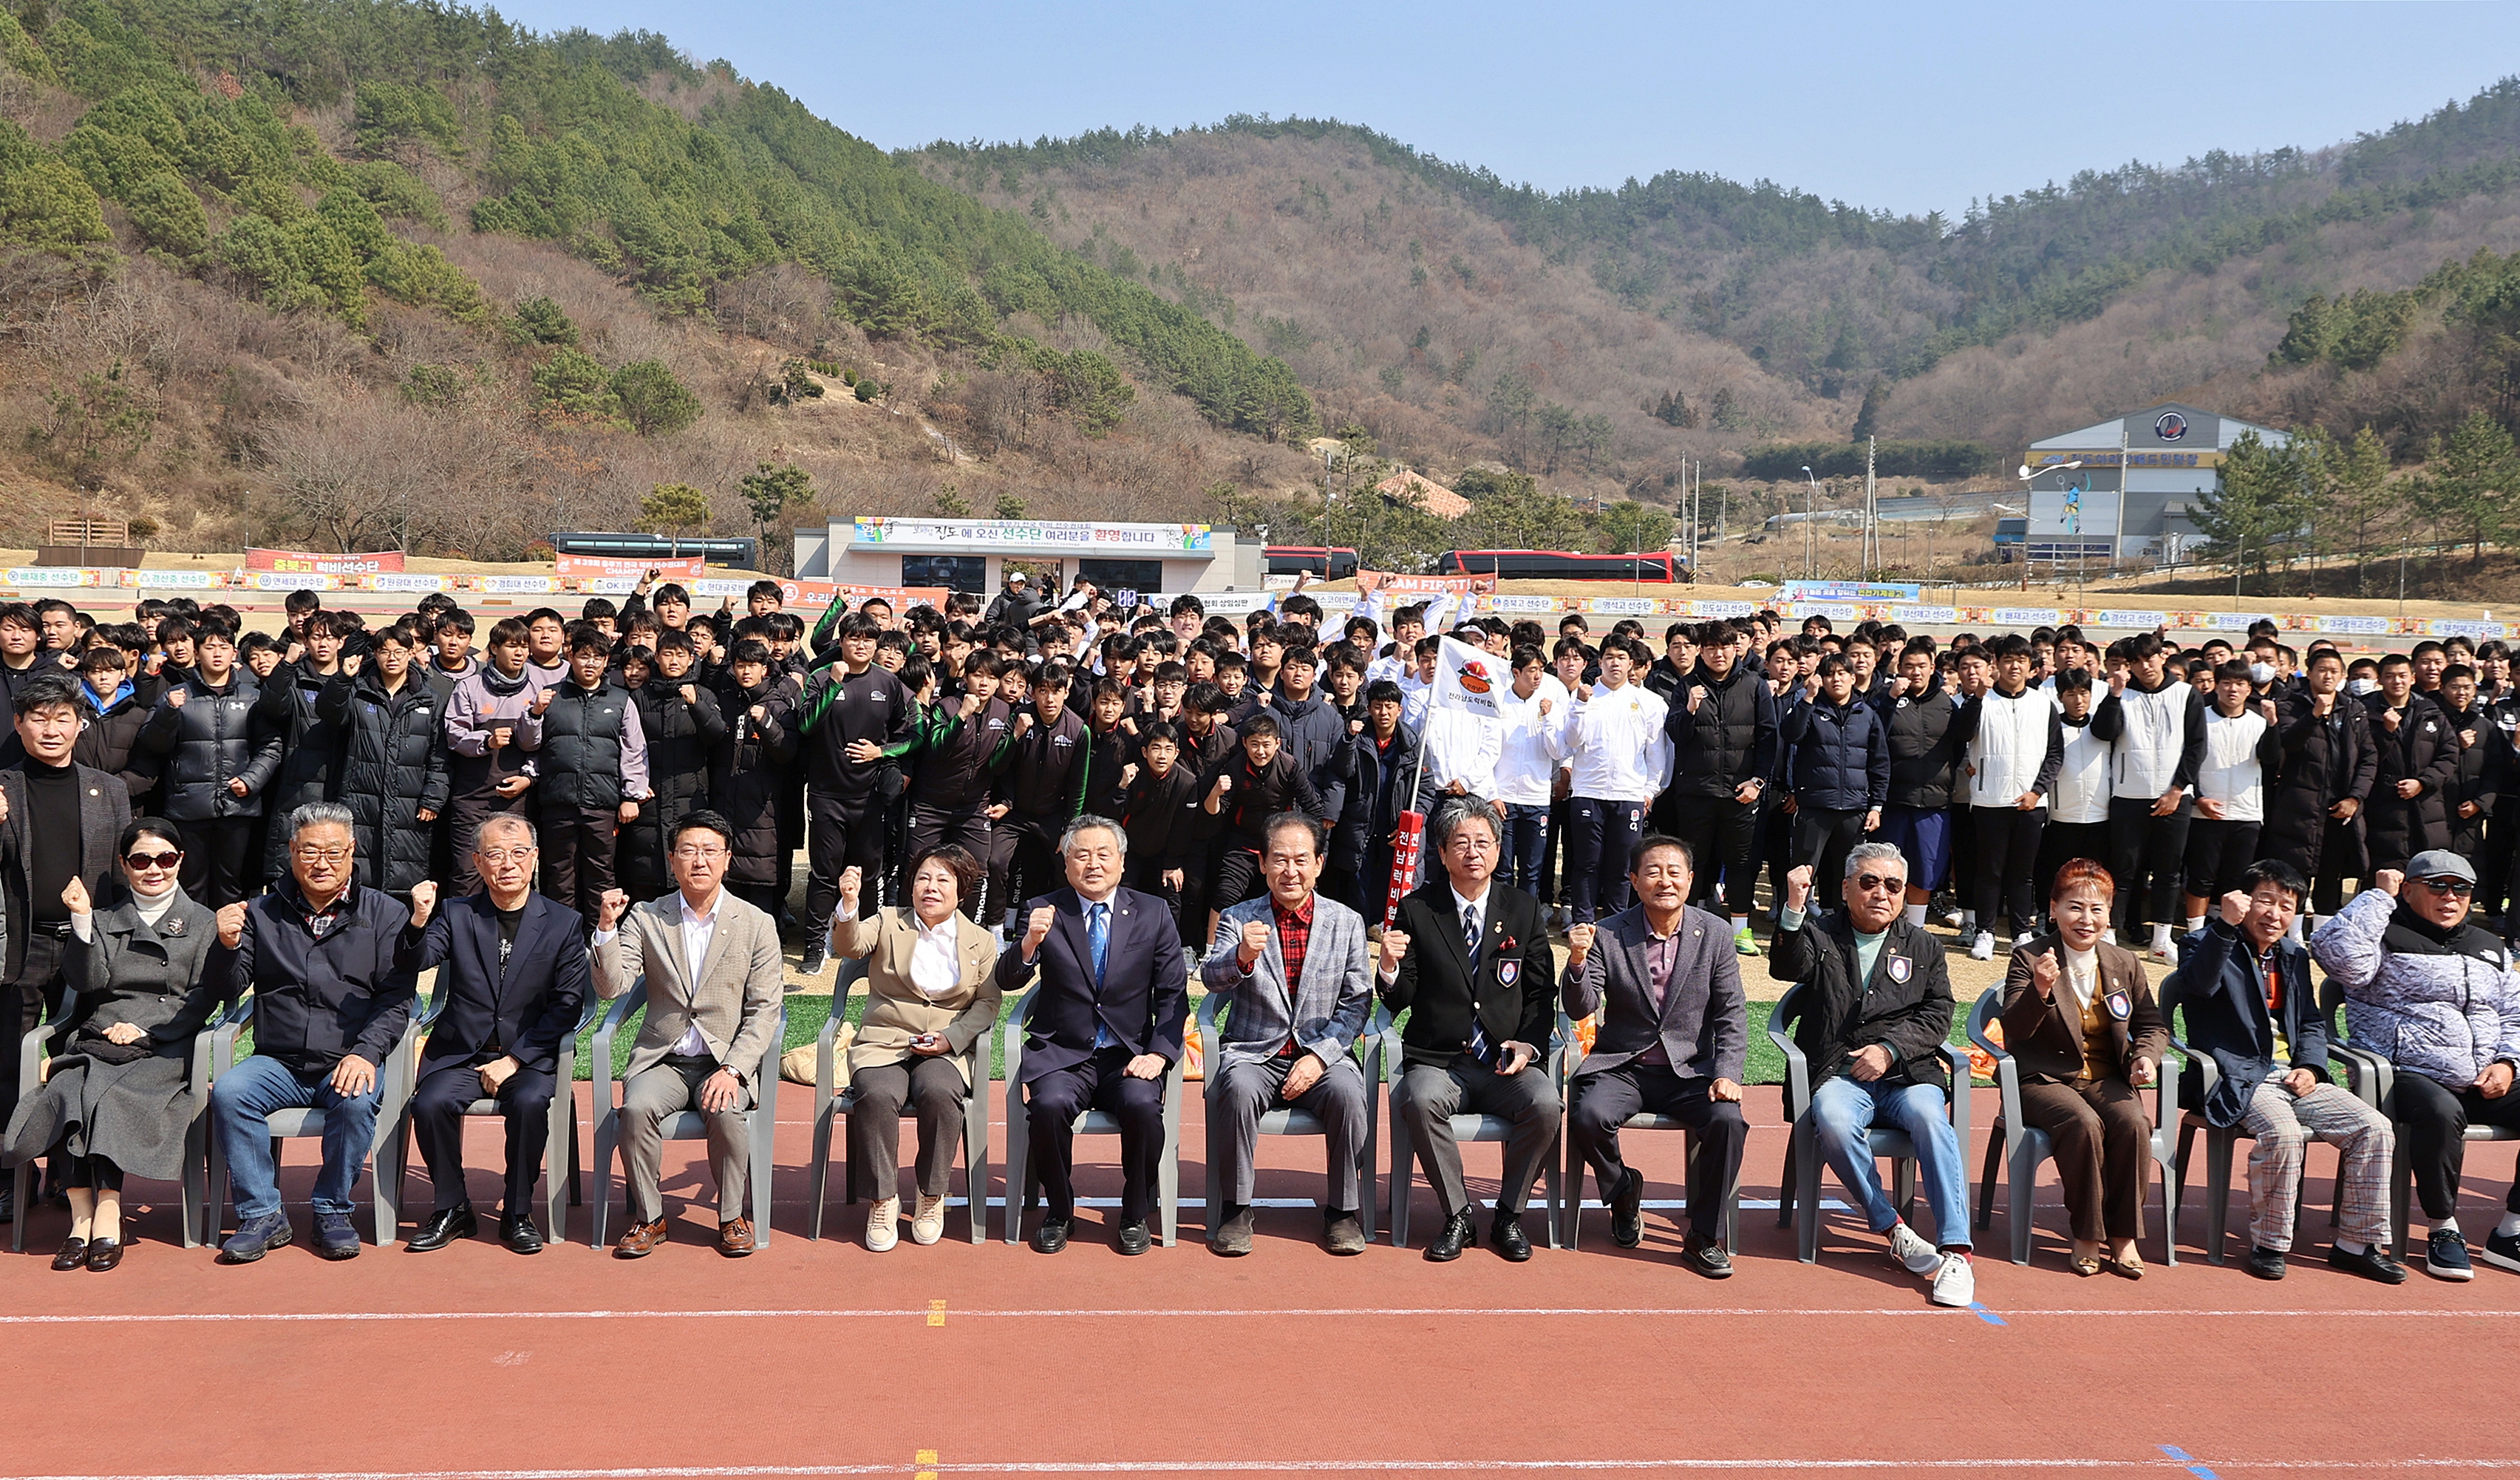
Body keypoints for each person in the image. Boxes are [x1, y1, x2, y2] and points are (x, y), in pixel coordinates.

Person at [1, 821, 222, 1269]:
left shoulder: (204, 922)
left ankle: (106, 1212)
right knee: (65, 1090)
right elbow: (86, 983)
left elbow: (203, 998)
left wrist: (148, 1029)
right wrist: (81, 920)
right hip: (101, 1039)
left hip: (164, 1045)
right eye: (141, 860)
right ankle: (83, 1214)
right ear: (125, 866)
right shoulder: (103, 920)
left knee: (113, 1095)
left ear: (180, 860)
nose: (153, 869)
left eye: (165, 859)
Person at [210, 803, 421, 1263]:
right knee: (230, 1092)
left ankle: (333, 1210)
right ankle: (262, 1213)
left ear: (351, 851)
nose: (320, 863)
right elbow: (229, 987)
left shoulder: (384, 913)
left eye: (331, 852)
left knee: (356, 1099)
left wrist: (366, 1053)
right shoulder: (262, 912)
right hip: (279, 1060)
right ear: (291, 852)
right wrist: (226, 947)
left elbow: (397, 998)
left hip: (348, 1056)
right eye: (309, 851)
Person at [2173, 860, 2403, 1283]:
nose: (2275, 914)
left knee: (2374, 1127)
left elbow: (2312, 1023)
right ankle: (2270, 1243)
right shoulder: (2204, 942)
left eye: (2286, 905)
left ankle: (2357, 1244)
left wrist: (2313, 1067)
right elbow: (2199, 985)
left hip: (2293, 1078)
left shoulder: (2293, 957)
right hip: (2236, 1077)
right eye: (2265, 901)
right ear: (2242, 902)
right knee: (2284, 1133)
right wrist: (2225, 927)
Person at [1771, 842, 1974, 1306]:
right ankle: (1893, 1227)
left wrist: (1889, 1049)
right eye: (1868, 882)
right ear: (1846, 889)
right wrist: (1795, 907)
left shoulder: (1923, 944)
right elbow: (1786, 967)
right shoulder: (1822, 933)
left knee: (1930, 1120)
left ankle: (1957, 1250)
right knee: (1835, 1123)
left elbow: (1939, 1013)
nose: (1881, 892)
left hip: (1906, 1075)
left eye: (1893, 885)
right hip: (1839, 1075)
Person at [2312, 849, 2520, 1282]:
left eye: (2461, 888)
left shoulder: (2489, 946)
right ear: (2407, 890)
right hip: (2402, 1075)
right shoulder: (2380, 933)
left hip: (2483, 1077)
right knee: (2442, 1111)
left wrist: (2507, 1063)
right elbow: (2339, 959)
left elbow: (2513, 1014)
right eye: (2438, 886)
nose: (2451, 896)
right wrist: (2377, 898)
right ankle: (2443, 1228)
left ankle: (2511, 1231)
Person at [590, 811, 784, 1258]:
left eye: (710, 851)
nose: (699, 861)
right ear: (672, 860)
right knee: (636, 1109)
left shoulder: (756, 923)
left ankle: (732, 1215)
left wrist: (734, 1069)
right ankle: (650, 1217)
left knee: (728, 1112)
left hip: (723, 1059)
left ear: (727, 859)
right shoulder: (646, 916)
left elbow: (765, 1009)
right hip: (664, 1059)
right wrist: (605, 931)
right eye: (689, 851)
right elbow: (611, 988)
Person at [1379, 794, 1560, 1263]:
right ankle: (1458, 1214)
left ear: (1499, 851)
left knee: (1545, 1104)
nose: (1473, 852)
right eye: (1461, 843)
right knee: (1418, 1100)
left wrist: (1529, 1045)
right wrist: (1389, 967)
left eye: (1483, 842)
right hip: (1440, 1060)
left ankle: (1509, 1215)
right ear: (1441, 854)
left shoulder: (1523, 908)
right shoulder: (1418, 909)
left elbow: (1542, 994)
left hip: (1506, 1060)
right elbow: (1400, 999)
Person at [397, 816, 590, 1255]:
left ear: (535, 857)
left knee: (527, 1103)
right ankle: (452, 1206)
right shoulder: (456, 913)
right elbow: (418, 960)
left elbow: (567, 1006)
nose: (508, 864)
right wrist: (419, 921)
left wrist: (516, 1060)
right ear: (478, 863)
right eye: (495, 855)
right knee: (429, 1103)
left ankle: (517, 1211)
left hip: (529, 1055)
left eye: (518, 852)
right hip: (462, 1051)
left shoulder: (563, 923)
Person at [999, 816, 1186, 1255]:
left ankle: (1136, 1211)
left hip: (1129, 1054)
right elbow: (1006, 980)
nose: (1093, 864)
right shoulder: (1044, 907)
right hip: (1064, 1052)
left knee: (1143, 1107)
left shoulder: (1153, 912)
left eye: (1104, 855)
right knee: (1047, 1106)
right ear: (1066, 863)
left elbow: (1174, 996)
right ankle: (1061, 1211)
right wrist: (1029, 943)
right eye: (1081, 855)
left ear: (1122, 863)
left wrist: (1159, 1054)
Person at [1560, 833, 1746, 1277]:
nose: (1664, 881)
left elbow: (1732, 1012)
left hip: (1690, 1072)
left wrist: (1728, 1072)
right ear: (1634, 880)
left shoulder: (1715, 932)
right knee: (1587, 1116)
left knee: (1728, 1121)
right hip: (1624, 1066)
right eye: (1653, 872)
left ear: (1690, 879)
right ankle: (1623, 1190)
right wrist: (1578, 963)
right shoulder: (1609, 933)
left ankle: (1703, 1236)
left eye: (1674, 871)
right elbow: (1581, 1008)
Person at [1199, 813, 1374, 1257]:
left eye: (1301, 860)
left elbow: (1356, 1003)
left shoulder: (1347, 922)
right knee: (1234, 1089)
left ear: (1319, 863)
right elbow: (1210, 978)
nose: (1290, 871)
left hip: (1321, 1055)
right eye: (1279, 860)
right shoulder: (1240, 917)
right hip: (1255, 1054)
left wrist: (1319, 1057)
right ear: (1263, 864)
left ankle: (1342, 1211)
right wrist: (1241, 955)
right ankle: (1237, 1208)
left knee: (1350, 1095)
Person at [826, 846, 1003, 1252]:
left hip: (946, 1047)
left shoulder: (980, 941)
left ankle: (930, 1194)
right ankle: (883, 1199)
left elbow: (988, 1003)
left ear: (962, 892)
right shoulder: (889, 921)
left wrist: (951, 1039)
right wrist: (849, 905)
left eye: (943, 880)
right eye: (924, 878)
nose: (931, 887)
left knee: (941, 1093)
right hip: (884, 1042)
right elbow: (850, 946)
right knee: (875, 1093)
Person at [1999, 859, 2169, 1278]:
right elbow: (2014, 1028)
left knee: (2132, 1122)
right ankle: (2087, 1234)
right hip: (2043, 1079)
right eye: (2075, 907)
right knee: (2082, 1123)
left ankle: (2124, 1235)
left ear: (2109, 914)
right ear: (2054, 908)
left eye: (2097, 910)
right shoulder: (2029, 956)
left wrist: (2146, 1055)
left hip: (2105, 1077)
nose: (2086, 919)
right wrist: (2039, 988)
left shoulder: (2124, 962)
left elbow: (2152, 1024)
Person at [0, 673, 136, 1180]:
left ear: (80, 725)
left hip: (87, 940)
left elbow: (123, 877)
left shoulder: (111, 789)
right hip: (21, 943)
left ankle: (67, 1166)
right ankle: (12, 1171)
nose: (51, 729)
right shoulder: (3, 786)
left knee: (77, 1054)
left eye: (62, 718)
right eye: (39, 717)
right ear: (19, 723)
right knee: (10, 1059)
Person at [796, 614, 915, 974]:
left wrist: (881, 753)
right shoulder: (821, 677)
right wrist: (834, 685)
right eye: (853, 638)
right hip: (826, 794)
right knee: (823, 873)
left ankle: (866, 943)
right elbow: (805, 725)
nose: (860, 645)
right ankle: (815, 946)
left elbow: (914, 737)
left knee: (867, 873)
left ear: (876, 645)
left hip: (869, 797)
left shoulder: (889, 684)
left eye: (867, 640)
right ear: (842, 641)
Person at [1665, 621, 1780, 955]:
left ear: (1736, 649)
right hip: (1696, 792)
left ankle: (1741, 930)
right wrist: (1689, 709)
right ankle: (1690, 927)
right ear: (1702, 651)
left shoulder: (1754, 685)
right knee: (1693, 862)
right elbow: (1676, 734)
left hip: (1740, 793)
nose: (1718, 654)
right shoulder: (1687, 686)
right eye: (1711, 648)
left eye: (1725, 647)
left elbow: (1768, 737)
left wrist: (1757, 781)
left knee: (1742, 863)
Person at [534, 627, 652, 926]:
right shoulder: (552, 697)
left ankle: (599, 937)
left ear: (606, 661)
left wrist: (631, 795)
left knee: (601, 873)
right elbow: (530, 744)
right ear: (570, 656)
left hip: (602, 803)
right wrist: (534, 713)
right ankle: (561, 938)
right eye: (584, 656)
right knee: (559, 873)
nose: (590, 663)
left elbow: (634, 751)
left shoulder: (621, 700)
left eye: (597, 658)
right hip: (558, 800)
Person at [321, 624, 448, 901]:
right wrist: (343, 678)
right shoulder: (357, 691)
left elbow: (439, 754)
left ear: (411, 653)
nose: (392, 657)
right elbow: (329, 713)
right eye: (384, 651)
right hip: (361, 799)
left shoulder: (430, 698)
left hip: (411, 802)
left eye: (399, 651)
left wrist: (433, 797)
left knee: (406, 876)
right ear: (375, 655)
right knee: (360, 875)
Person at [1550, 638, 1669, 924]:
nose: (1615, 663)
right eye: (1609, 657)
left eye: (1621, 657)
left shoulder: (1650, 703)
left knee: (1622, 866)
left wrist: (1650, 791)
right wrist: (1580, 705)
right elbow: (1572, 741)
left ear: (1631, 664)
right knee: (1586, 863)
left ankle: (1617, 925)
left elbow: (1656, 753)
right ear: (1599, 662)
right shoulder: (1584, 698)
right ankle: (1583, 921)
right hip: (1588, 792)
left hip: (1629, 795)